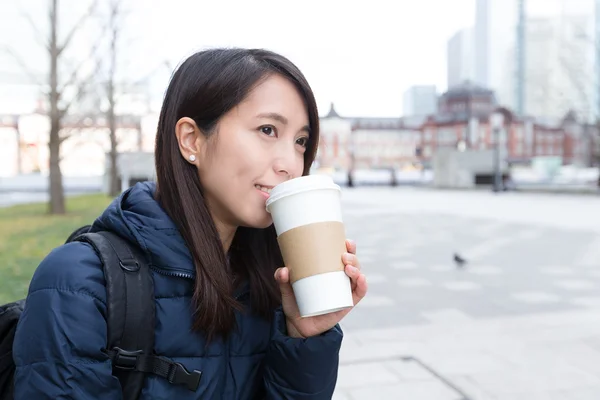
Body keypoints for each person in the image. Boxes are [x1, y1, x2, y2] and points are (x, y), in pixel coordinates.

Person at [12, 48, 368, 399]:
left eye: (301, 141)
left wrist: (303, 338)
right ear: (191, 140)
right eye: (267, 129)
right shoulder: (77, 283)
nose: (291, 163)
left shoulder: (271, 280)